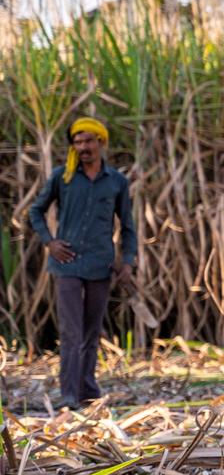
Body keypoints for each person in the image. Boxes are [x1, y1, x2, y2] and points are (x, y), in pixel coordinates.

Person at [28, 117, 137, 410]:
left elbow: (127, 226)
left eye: (88, 141)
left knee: (91, 331)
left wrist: (127, 261)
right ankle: (68, 394)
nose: (83, 147)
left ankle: (88, 389)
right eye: (78, 142)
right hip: (67, 265)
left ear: (100, 143)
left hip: (101, 265)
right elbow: (36, 211)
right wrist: (50, 242)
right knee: (71, 332)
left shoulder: (116, 182)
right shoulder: (62, 177)